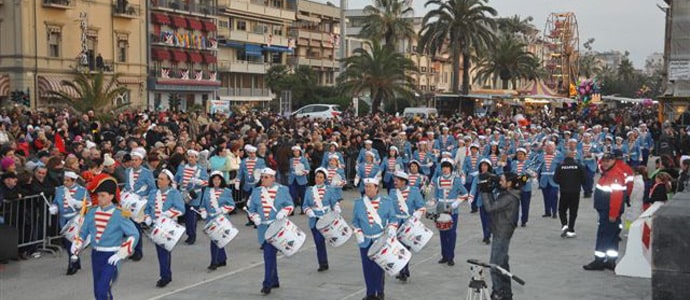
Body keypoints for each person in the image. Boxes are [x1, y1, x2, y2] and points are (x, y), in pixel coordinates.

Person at [70, 177, 139, 300]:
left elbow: (134, 234)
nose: (99, 198)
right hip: (96, 254)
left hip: (112, 256)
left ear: (111, 196)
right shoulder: (91, 212)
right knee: (98, 290)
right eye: (98, 195)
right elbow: (83, 231)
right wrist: (78, 243)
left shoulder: (120, 214)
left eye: (103, 195)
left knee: (102, 289)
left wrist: (121, 253)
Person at [246, 168, 294, 295]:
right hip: (263, 228)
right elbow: (252, 209)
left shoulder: (283, 190)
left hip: (277, 227)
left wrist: (284, 212)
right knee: (270, 255)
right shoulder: (256, 191)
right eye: (262, 177)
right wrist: (254, 217)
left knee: (268, 255)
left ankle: (267, 284)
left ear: (273, 178)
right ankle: (274, 280)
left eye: (266, 177)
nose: (263, 179)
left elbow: (290, 205)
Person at [351, 178, 397, 300]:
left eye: (370, 187)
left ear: (377, 188)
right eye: (366, 187)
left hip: (380, 240)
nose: (367, 189)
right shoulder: (359, 203)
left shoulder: (387, 202)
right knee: (367, 268)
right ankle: (370, 293)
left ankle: (380, 292)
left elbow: (393, 219)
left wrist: (392, 229)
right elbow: (355, 222)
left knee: (378, 268)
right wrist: (358, 232)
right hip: (365, 241)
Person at [481, 172, 521, 300]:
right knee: (503, 264)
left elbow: (490, 208)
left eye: (502, 180)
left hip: (501, 233)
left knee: (495, 265)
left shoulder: (509, 197)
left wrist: (485, 191)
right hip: (501, 230)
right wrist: (491, 186)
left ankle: (498, 293)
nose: (500, 182)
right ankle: (507, 293)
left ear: (509, 183)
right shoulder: (508, 193)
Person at [583, 152, 626, 271]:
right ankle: (611, 260)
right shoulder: (608, 173)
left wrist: (613, 213)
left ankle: (599, 260)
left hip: (608, 211)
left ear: (613, 161)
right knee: (612, 236)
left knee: (603, 235)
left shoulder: (614, 175)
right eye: (604, 161)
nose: (605, 163)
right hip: (606, 210)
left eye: (608, 161)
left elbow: (616, 197)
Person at [144, 170, 185, 287]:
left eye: (162, 179)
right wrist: (147, 217)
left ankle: (165, 276)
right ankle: (166, 274)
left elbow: (181, 209)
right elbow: (148, 208)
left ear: (168, 181)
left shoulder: (174, 193)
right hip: (156, 225)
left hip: (168, 226)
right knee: (161, 252)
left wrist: (168, 213)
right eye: (158, 179)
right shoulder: (153, 193)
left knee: (164, 251)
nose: (159, 181)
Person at [49, 171, 91, 275]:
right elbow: (56, 202)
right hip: (64, 219)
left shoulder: (82, 191)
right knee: (68, 242)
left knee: (73, 242)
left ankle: (71, 264)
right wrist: (54, 207)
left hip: (76, 218)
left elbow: (89, 204)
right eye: (64, 180)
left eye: (68, 180)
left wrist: (80, 204)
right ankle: (76, 261)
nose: (65, 182)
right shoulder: (59, 190)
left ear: (74, 181)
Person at [430, 158, 468, 264]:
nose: (445, 169)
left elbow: (465, 193)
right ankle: (444, 255)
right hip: (440, 208)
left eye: (447, 167)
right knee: (442, 233)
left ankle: (451, 256)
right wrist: (433, 201)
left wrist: (456, 203)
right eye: (443, 167)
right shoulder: (438, 179)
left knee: (451, 233)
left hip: (452, 209)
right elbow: (436, 195)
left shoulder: (456, 180)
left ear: (451, 168)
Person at [302, 167, 341, 272]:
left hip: (327, 218)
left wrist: (337, 208)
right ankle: (323, 262)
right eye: (317, 177)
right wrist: (308, 211)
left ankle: (323, 262)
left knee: (324, 239)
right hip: (314, 218)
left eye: (321, 177)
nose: (318, 179)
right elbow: (305, 205)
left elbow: (334, 202)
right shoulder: (309, 190)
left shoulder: (330, 190)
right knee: (318, 241)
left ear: (324, 179)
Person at [390, 171, 425, 282]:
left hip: (408, 222)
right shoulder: (392, 192)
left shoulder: (414, 191)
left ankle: (404, 270)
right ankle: (404, 270)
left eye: (397, 180)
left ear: (404, 181)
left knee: (405, 247)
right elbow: (389, 208)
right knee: (398, 248)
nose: (395, 182)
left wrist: (415, 217)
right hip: (396, 223)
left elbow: (421, 207)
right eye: (394, 179)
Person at [198, 171, 235, 270]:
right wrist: (203, 211)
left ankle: (214, 262)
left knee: (215, 240)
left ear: (221, 180)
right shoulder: (207, 190)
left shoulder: (226, 191)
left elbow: (231, 205)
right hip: (210, 218)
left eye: (218, 179)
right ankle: (222, 259)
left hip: (221, 218)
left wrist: (222, 210)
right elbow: (202, 205)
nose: (216, 181)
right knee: (217, 239)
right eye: (214, 179)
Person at [123, 149, 155, 261]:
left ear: (141, 161)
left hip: (140, 204)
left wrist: (148, 203)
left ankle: (138, 251)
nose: (133, 162)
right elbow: (127, 185)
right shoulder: (127, 172)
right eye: (132, 160)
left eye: (136, 160)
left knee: (136, 227)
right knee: (128, 226)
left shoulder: (147, 173)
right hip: (128, 203)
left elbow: (152, 189)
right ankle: (131, 248)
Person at [174, 149, 208, 245]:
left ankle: (192, 235)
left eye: (192, 157)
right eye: (189, 157)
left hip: (194, 195)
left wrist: (199, 182)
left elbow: (206, 182)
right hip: (182, 194)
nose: (190, 159)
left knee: (191, 216)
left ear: (196, 159)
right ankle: (186, 234)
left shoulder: (201, 169)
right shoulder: (181, 168)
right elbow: (176, 179)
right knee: (184, 215)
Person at [554, 150, 585, 238]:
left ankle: (564, 225)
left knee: (562, 210)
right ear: (573, 157)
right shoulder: (579, 166)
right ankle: (571, 229)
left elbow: (555, 179)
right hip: (575, 191)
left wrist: (562, 183)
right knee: (573, 211)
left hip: (564, 191)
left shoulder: (560, 167)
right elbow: (584, 179)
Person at [238, 144, 266, 226]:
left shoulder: (261, 161)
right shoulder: (243, 162)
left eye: (253, 153)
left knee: (257, 203)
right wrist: (237, 181)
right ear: (247, 153)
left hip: (257, 185)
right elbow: (240, 173)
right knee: (248, 203)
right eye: (250, 153)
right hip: (247, 185)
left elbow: (264, 171)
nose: (252, 155)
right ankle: (250, 219)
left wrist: (260, 178)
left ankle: (258, 219)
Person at [536, 141, 562, 218]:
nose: (549, 148)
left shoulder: (559, 156)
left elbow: (561, 167)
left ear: (554, 148)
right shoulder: (541, 156)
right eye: (547, 147)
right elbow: (538, 167)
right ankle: (547, 211)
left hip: (554, 179)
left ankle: (554, 212)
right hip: (544, 179)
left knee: (554, 196)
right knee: (546, 196)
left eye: (550, 147)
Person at [510, 148, 534, 227]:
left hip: (526, 187)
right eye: (518, 154)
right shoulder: (513, 163)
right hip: (515, 187)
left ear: (525, 155)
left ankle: (524, 220)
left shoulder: (529, 162)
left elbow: (532, 173)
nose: (519, 156)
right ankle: (514, 221)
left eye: (521, 154)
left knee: (525, 205)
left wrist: (523, 178)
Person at [288, 145, 310, 215]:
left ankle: (303, 209)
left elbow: (308, 169)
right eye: (294, 151)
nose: (296, 152)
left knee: (303, 194)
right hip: (292, 179)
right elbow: (289, 169)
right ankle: (292, 209)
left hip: (301, 179)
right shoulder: (291, 160)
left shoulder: (303, 159)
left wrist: (303, 172)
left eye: (297, 151)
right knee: (292, 194)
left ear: (299, 152)